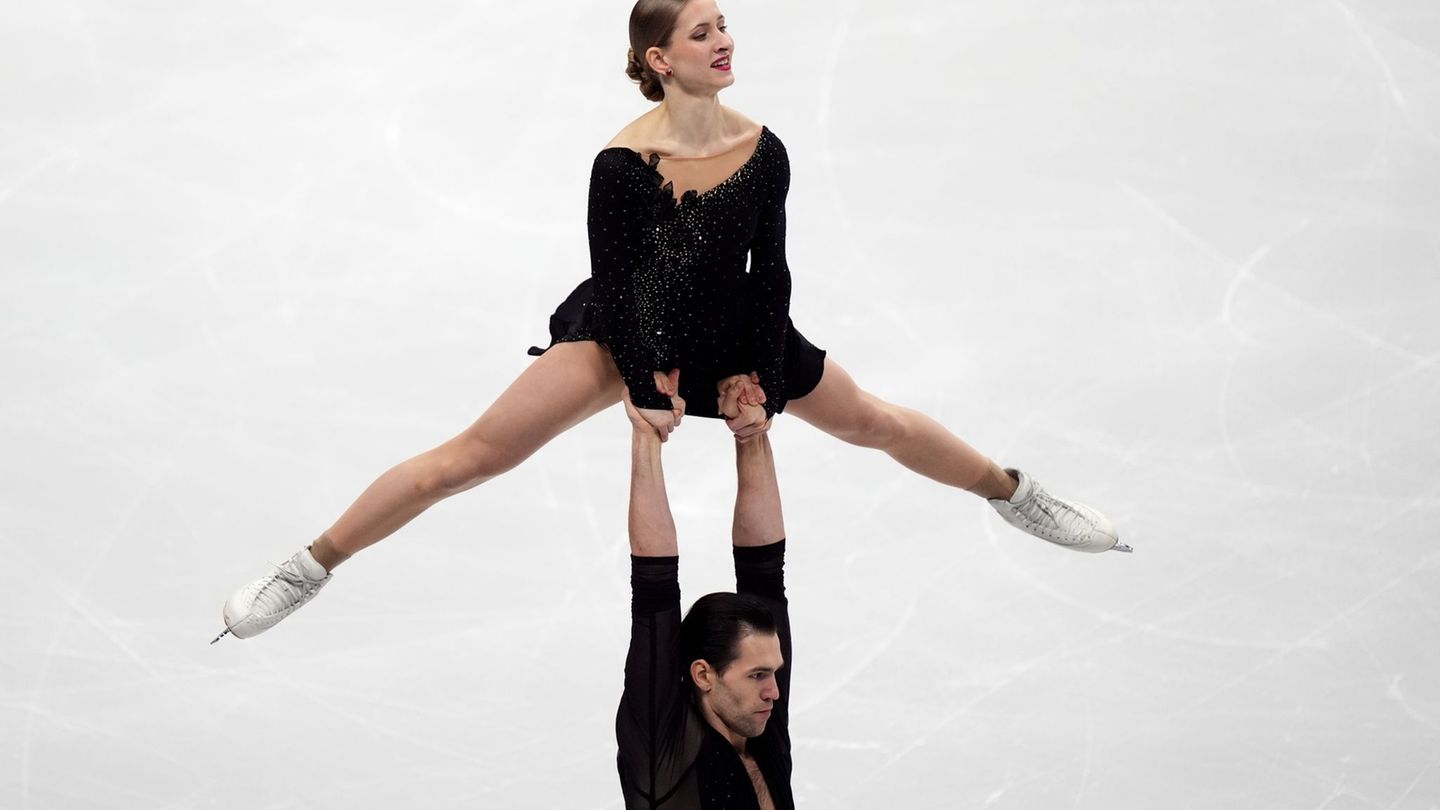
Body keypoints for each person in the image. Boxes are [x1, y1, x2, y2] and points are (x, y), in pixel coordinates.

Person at [214, 0, 1126, 644]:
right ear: (661, 58)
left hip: (736, 328)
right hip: (628, 332)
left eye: (725, 24)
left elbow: (771, 271)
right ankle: (313, 562)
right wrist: (648, 384)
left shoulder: (763, 151)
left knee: (874, 421)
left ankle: (1016, 494)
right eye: (704, 31)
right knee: (473, 457)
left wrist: (758, 374)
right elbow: (618, 283)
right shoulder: (620, 163)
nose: (726, 39)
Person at [620, 387, 793, 809]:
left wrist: (752, 433)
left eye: (773, 673)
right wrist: (646, 432)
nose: (775, 692)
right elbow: (653, 586)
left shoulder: (757, 727)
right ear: (702, 675)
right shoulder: (666, 753)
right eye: (757, 675)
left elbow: (765, 571)